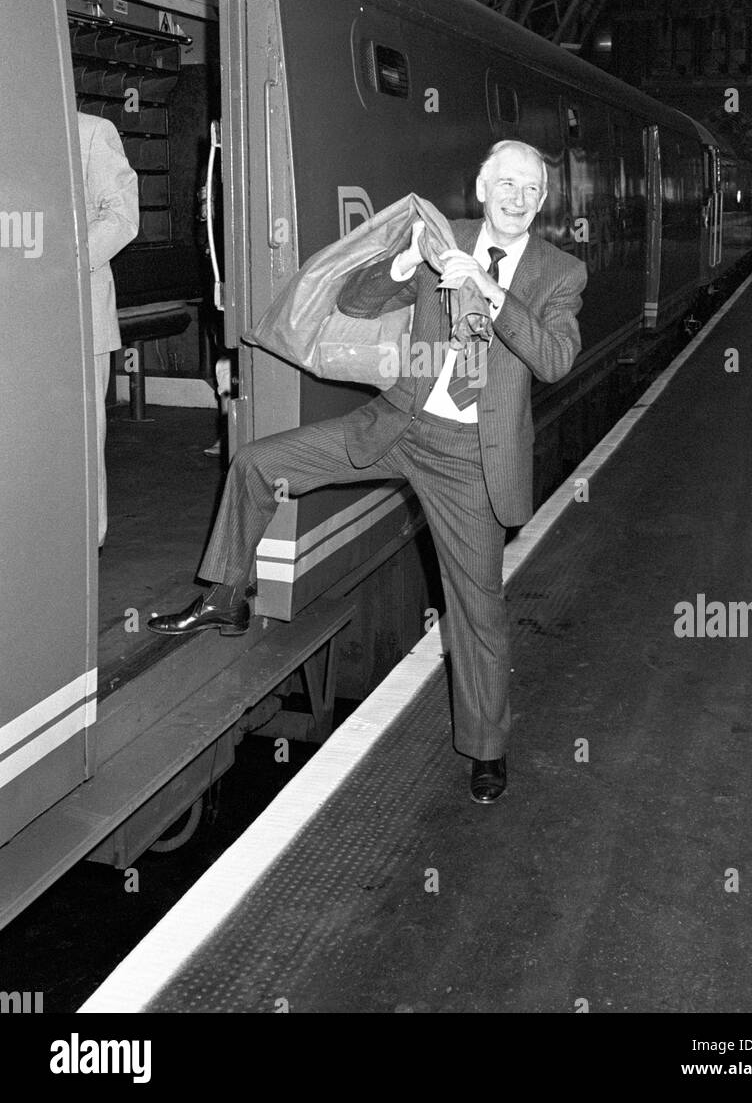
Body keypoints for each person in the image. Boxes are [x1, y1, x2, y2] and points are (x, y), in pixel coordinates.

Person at [149, 140, 586, 804]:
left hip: (472, 460)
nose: (518, 198)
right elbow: (356, 302)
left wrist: (489, 291)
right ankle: (226, 595)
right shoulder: (443, 237)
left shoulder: (559, 272)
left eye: (532, 189)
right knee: (258, 461)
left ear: (543, 200)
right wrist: (404, 262)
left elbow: (554, 358)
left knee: (478, 615)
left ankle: (487, 750)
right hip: (400, 424)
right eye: (507, 184)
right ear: (482, 185)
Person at [78, 111, 139, 548]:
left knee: (81, 433)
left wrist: (61, 264)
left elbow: (121, 219)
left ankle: (86, 542)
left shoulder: (92, 132)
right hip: (21, 318)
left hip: (80, 313)